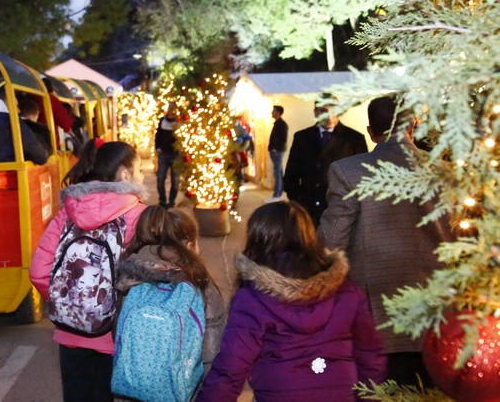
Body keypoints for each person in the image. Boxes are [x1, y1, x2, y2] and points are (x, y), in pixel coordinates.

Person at [318, 96, 453, 387]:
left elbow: (330, 242)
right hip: (437, 312)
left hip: (376, 315)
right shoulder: (446, 172)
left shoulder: (348, 172)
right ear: (413, 125)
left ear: (370, 132)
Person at [197, 201, 386, 401]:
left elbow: (231, 369)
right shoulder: (346, 291)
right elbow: (370, 355)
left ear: (256, 241)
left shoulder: (252, 299)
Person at [30, 139, 147, 402]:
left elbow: (38, 270)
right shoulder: (139, 216)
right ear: (125, 174)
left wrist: (71, 301)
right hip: (115, 335)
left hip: (70, 333)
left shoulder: (68, 212)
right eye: (140, 170)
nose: (142, 176)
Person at [116, 205, 226, 372]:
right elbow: (211, 349)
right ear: (189, 245)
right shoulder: (200, 283)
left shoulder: (130, 275)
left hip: (133, 384)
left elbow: (117, 331)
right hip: (183, 387)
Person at [283, 99, 367, 225]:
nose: (329, 115)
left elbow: (362, 179)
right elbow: (291, 176)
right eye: (324, 111)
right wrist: (299, 202)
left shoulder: (354, 139)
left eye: (334, 110)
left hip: (341, 212)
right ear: (315, 113)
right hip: (308, 211)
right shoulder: (302, 137)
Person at [154, 101, 180, 208]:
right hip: (164, 154)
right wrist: (158, 148)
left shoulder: (179, 122)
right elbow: (158, 135)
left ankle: (172, 202)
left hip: (176, 155)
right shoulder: (162, 121)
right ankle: (163, 201)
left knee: (175, 180)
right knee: (160, 179)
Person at [267, 105, 288, 201]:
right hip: (276, 151)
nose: (272, 113)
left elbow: (283, 138)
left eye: (273, 111)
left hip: (277, 151)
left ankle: (277, 194)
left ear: (278, 113)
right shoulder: (277, 124)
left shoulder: (281, 124)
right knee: (278, 172)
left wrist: (275, 147)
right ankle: (279, 193)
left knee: (277, 173)